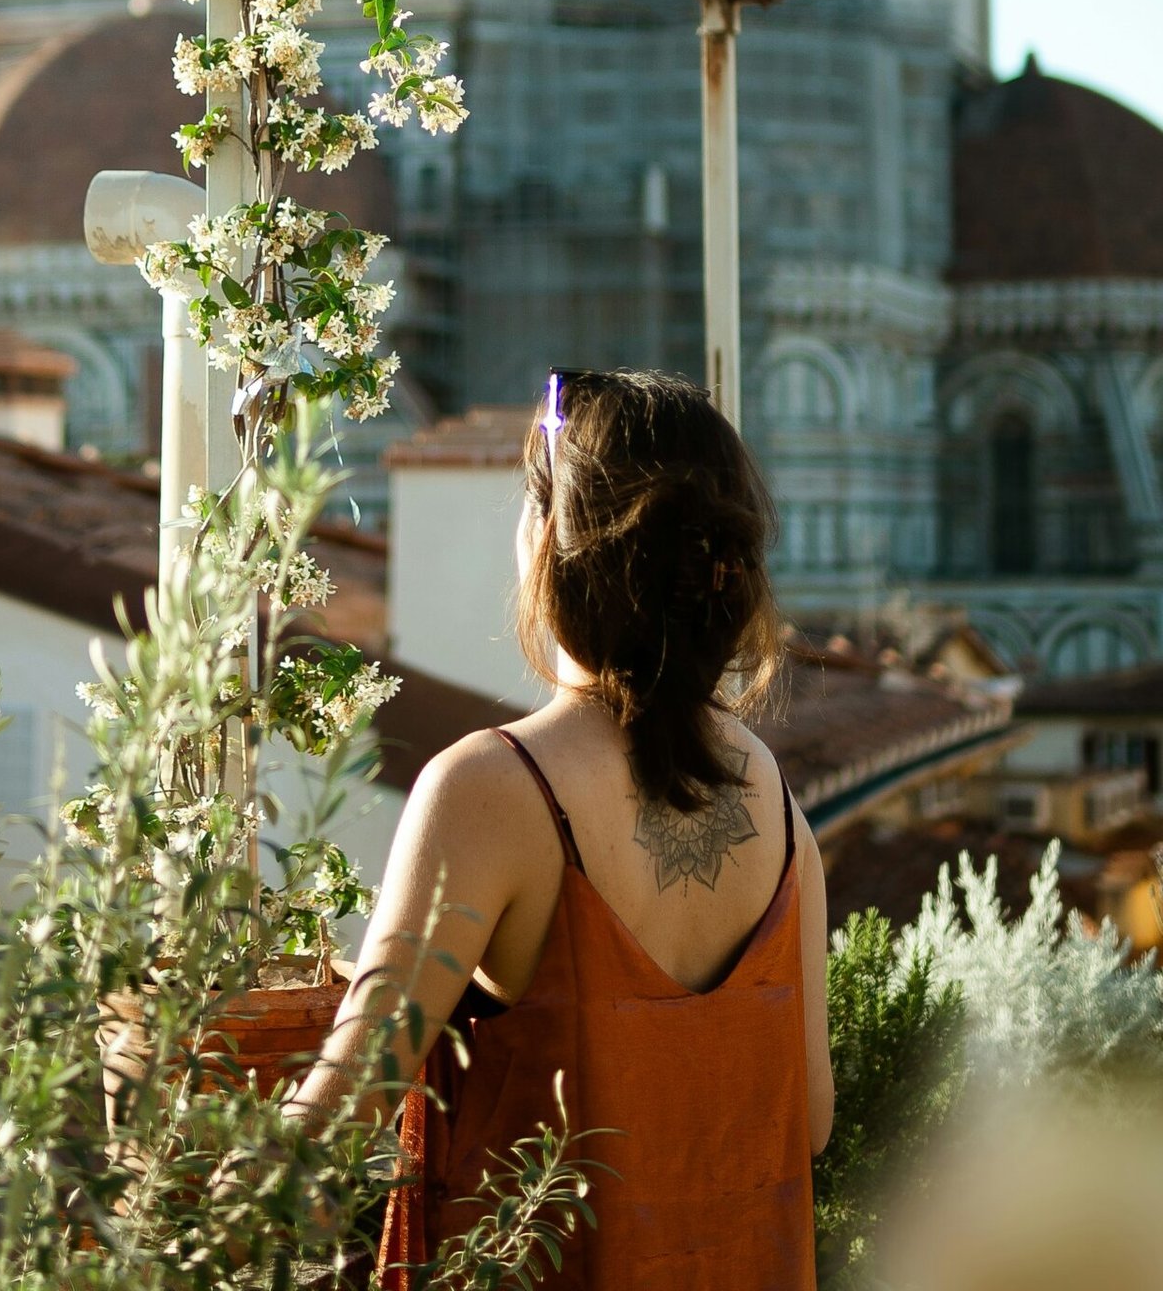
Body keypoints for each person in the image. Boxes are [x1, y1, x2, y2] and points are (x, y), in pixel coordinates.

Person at [289, 368, 834, 1289]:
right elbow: (807, 1119)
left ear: (549, 539)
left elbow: (345, 1108)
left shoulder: (494, 791)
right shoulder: (772, 798)